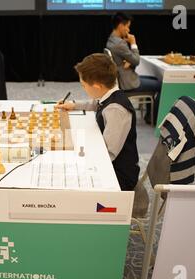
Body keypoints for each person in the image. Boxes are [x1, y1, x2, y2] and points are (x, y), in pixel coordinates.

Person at [56, 53, 139, 191]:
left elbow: (108, 154)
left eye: (83, 85)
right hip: (107, 160)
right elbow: (97, 104)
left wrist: (78, 156)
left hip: (118, 174)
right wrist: (74, 105)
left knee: (65, 177)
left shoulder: (116, 110)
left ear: (97, 86)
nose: (83, 88)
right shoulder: (109, 94)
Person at [106, 12, 161, 125]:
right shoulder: (120, 44)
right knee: (161, 85)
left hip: (124, 76)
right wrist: (133, 43)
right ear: (121, 25)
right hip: (128, 82)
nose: (128, 30)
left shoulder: (112, 39)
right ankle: (154, 118)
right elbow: (136, 60)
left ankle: (149, 115)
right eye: (127, 26)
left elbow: (130, 61)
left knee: (154, 79)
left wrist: (128, 62)